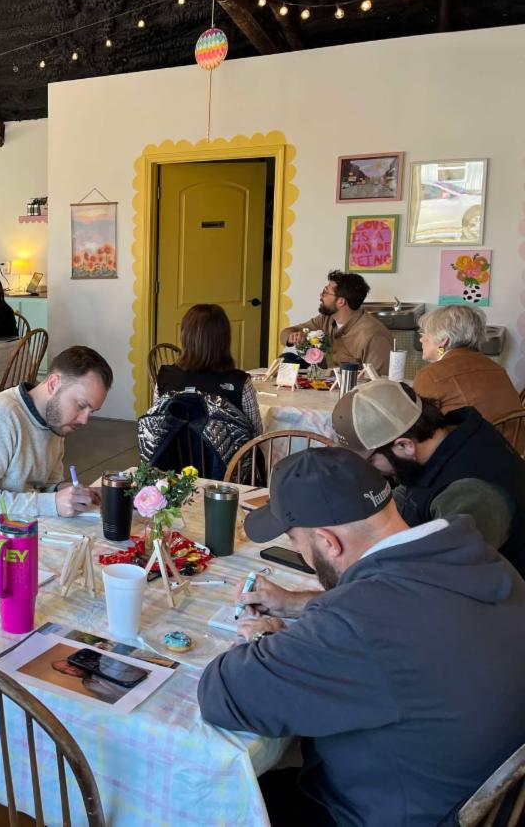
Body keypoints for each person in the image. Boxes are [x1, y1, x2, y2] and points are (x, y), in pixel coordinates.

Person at [198, 447, 525, 827]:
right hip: (463, 793)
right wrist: (298, 605)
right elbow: (404, 609)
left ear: (328, 542)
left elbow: (222, 694)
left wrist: (264, 641)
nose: (301, 555)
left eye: (295, 542)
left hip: (381, 814)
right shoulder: (480, 559)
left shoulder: (359, 624)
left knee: (207, 794)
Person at [332, 379, 525, 576]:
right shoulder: (437, 445)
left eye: (371, 460)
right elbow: (402, 499)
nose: (371, 469)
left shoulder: (472, 494)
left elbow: (443, 577)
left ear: (404, 445)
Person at [0, 346, 112, 558]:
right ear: (54, 384)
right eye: (81, 405)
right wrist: (53, 502)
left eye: (91, 411)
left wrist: (69, 492)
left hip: (23, 532)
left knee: (100, 555)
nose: (84, 420)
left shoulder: (56, 423)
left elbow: (45, 485)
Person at [156, 303, 261, 435]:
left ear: (185, 337)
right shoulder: (240, 382)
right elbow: (257, 433)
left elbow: (157, 425)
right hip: (228, 449)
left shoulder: (165, 377)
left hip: (173, 448)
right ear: (224, 340)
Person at [413, 304, 519, 421]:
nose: (421, 339)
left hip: (476, 433)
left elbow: (420, 425)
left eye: (425, 334)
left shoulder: (430, 375)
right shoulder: (497, 368)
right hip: (514, 432)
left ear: (443, 341)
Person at [279, 270, 392, 374]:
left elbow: (378, 382)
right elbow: (285, 333)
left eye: (325, 292)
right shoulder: (326, 319)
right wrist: (291, 337)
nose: (320, 295)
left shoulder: (373, 336)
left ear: (341, 301)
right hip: (325, 379)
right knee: (287, 358)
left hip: (350, 387)